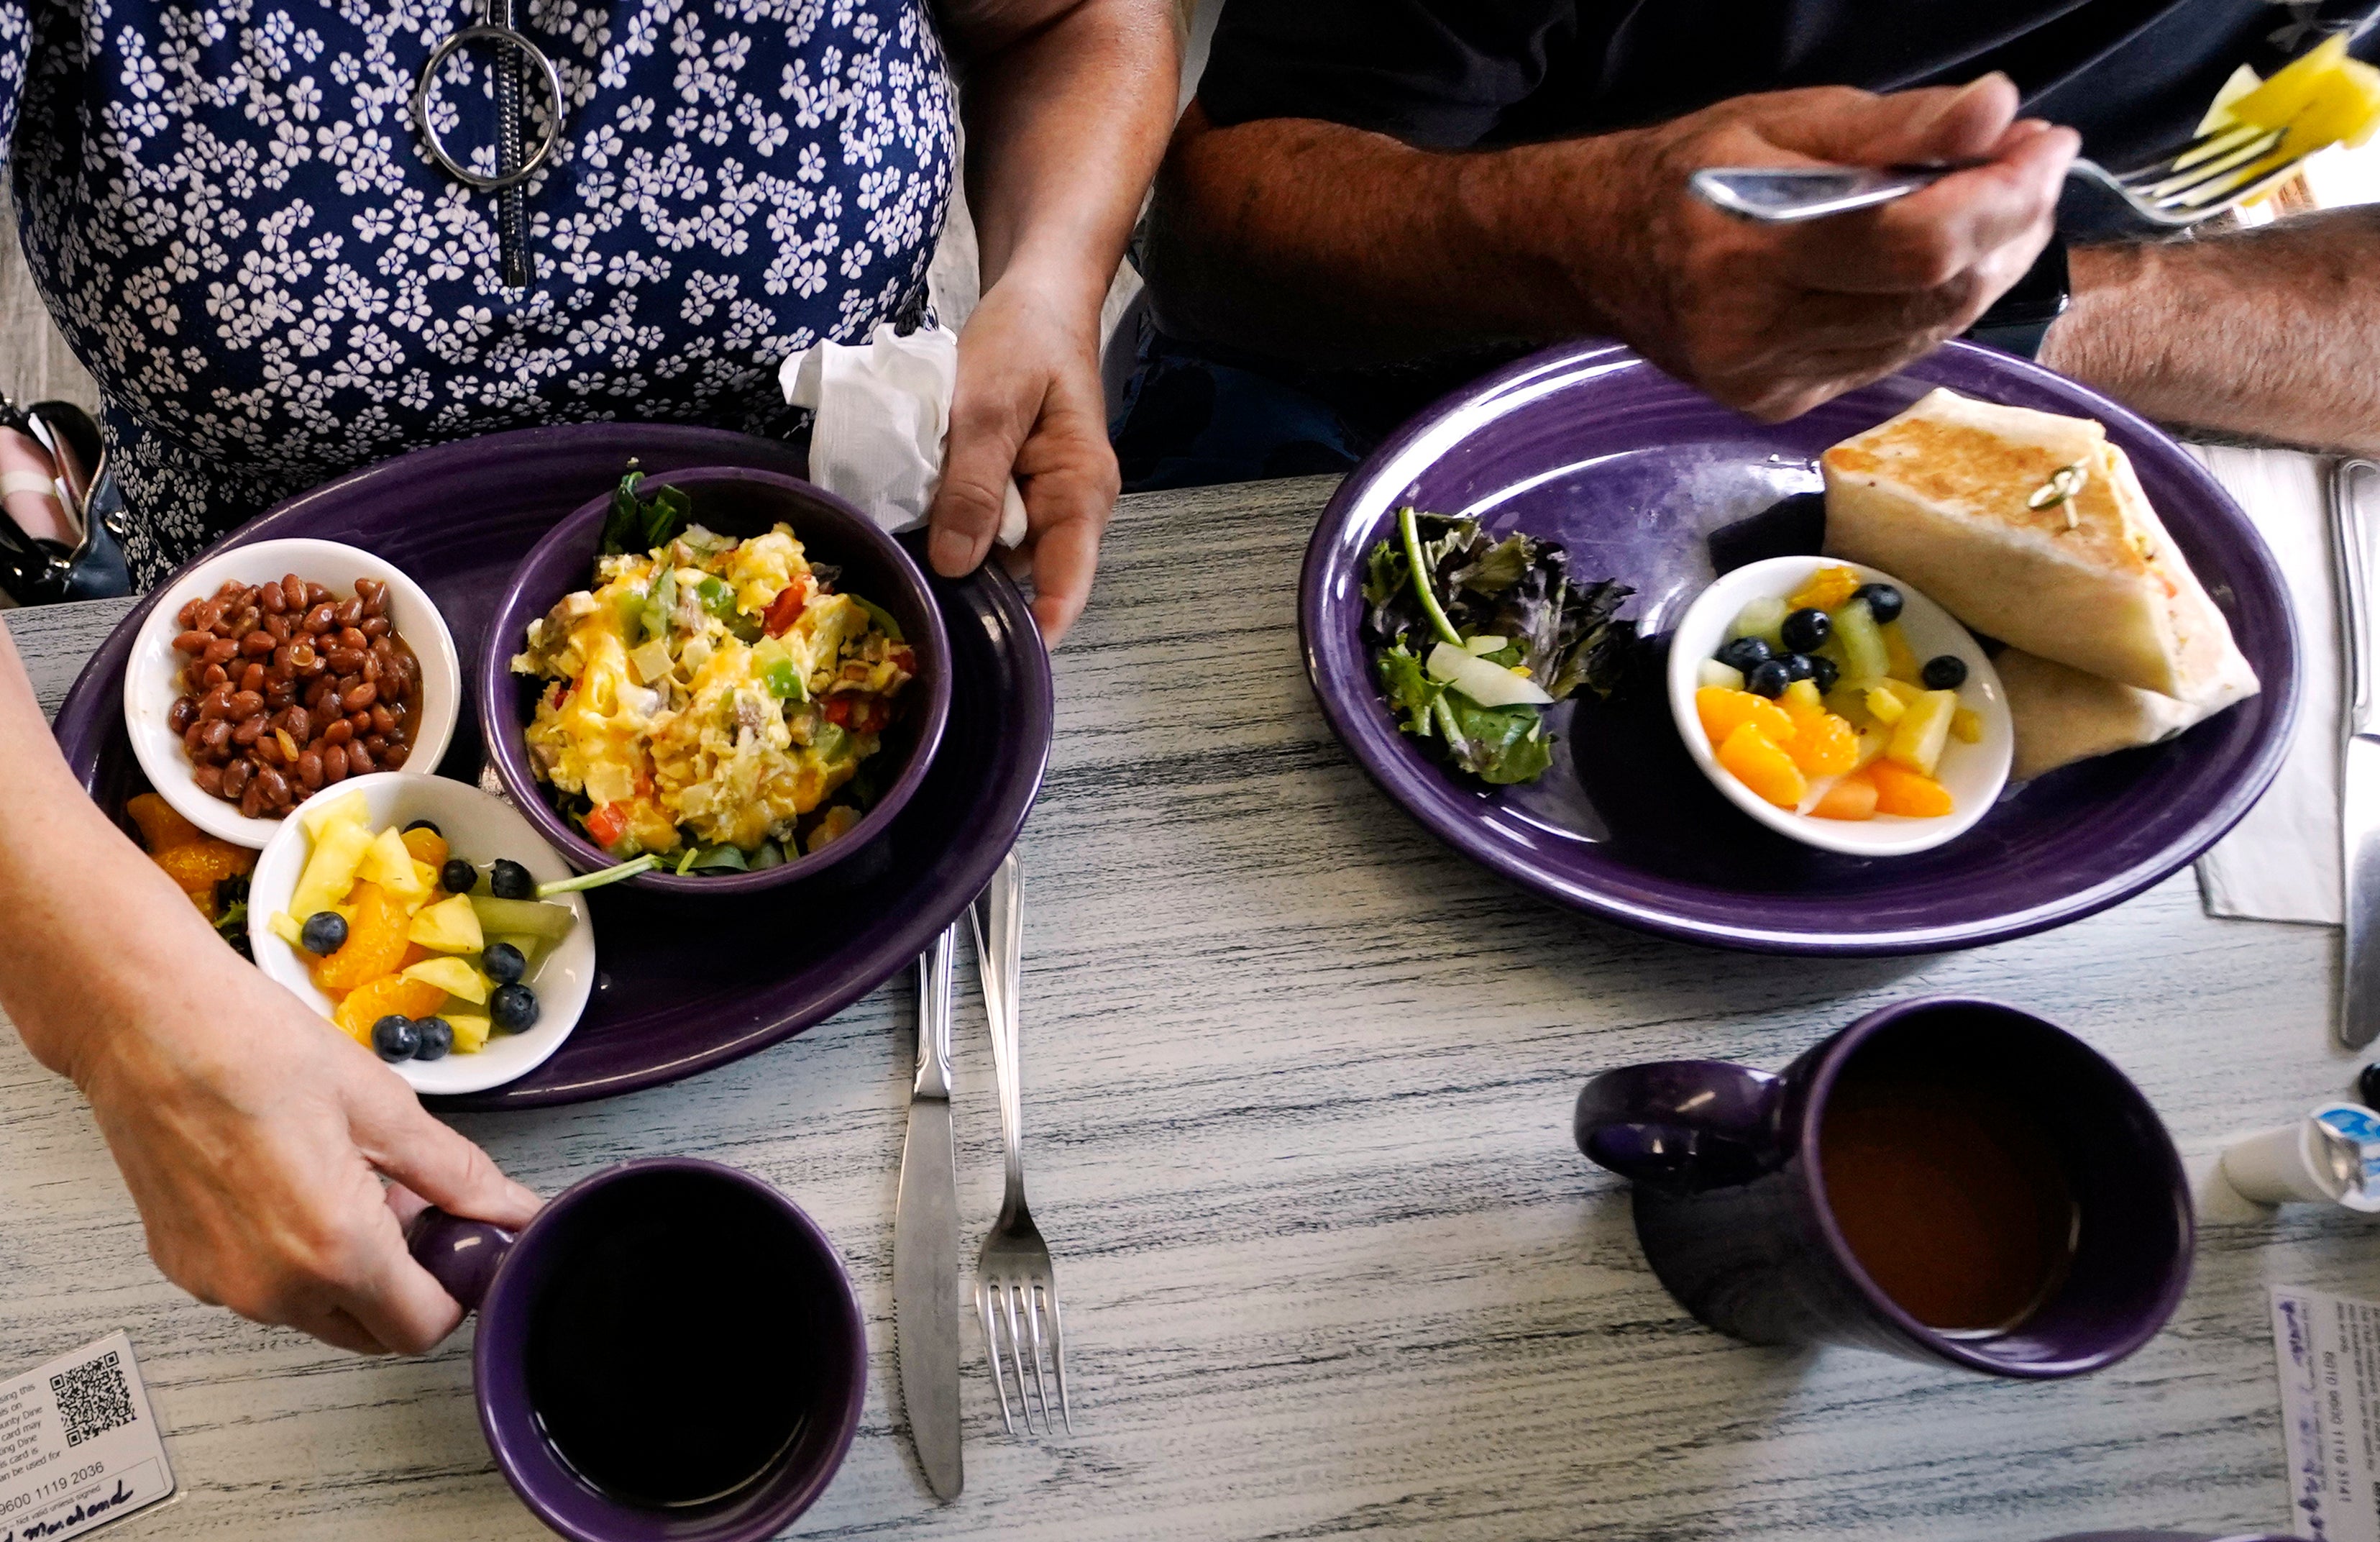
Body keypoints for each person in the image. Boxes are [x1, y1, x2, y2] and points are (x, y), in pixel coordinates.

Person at [0, 0, 1175, 1353]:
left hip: (866, 706)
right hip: (208, 754)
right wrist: (112, 1012)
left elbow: (1075, 22)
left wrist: (1050, 276)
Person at [1122, 0, 2380, 488]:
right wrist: (1582, 236)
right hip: (1347, 430)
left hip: (1969, 467)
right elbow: (1216, 235)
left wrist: (2022, 306)